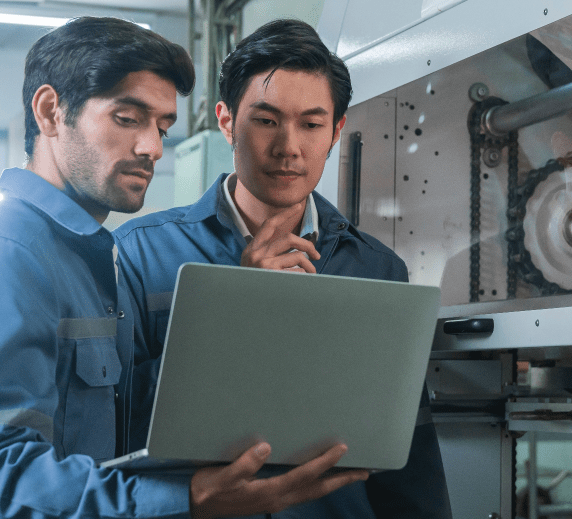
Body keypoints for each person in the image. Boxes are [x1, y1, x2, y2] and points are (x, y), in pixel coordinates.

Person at [0, 17, 366, 518]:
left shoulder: (90, 260)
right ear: (51, 111)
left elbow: (131, 426)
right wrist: (189, 498)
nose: (152, 148)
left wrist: (243, 322)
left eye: (161, 126)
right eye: (127, 118)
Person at [115, 19, 454, 519]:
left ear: (337, 130)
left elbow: (407, 451)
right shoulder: (139, 257)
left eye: (312, 125)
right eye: (266, 120)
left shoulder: (378, 269)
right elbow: (116, 427)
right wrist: (238, 311)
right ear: (227, 122)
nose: (288, 147)